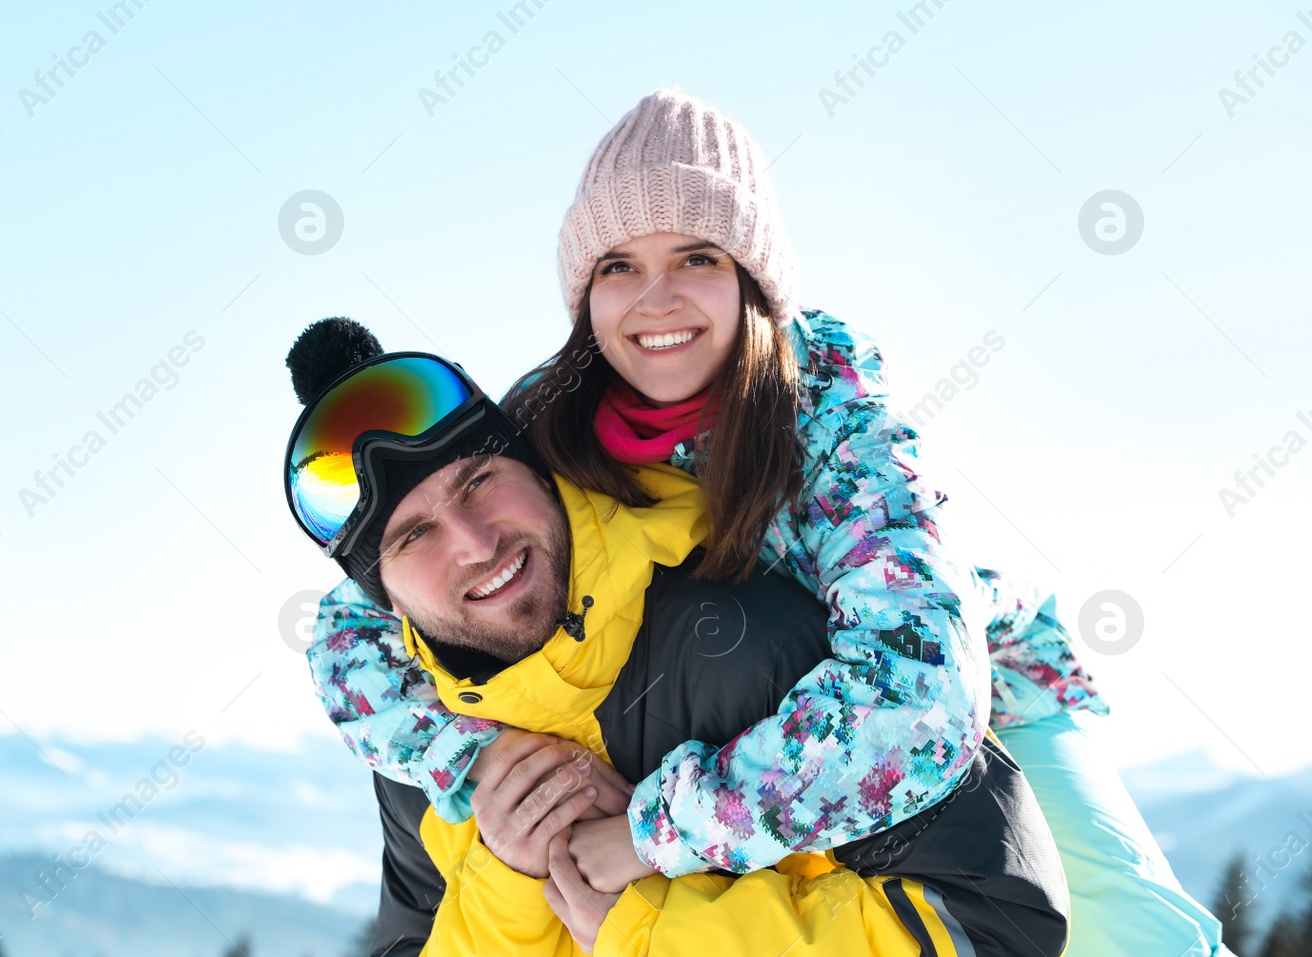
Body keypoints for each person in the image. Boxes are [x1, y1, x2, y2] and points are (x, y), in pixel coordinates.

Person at [304, 89, 1225, 955]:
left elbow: (919, 699)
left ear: (753, 278)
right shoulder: (542, 425)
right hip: (775, 735)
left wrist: (651, 830)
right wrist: (483, 766)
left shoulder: (828, 409)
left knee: (1141, 938)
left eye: (697, 257)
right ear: (585, 296)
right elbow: (356, 622)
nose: (656, 300)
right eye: (620, 266)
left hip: (989, 703)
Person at [281, 319, 1069, 955]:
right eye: (414, 534)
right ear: (383, 596)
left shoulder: (746, 643)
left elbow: (994, 925)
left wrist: (653, 932)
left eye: (479, 481)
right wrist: (508, 883)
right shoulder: (426, 748)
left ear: (533, 467)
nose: (475, 542)